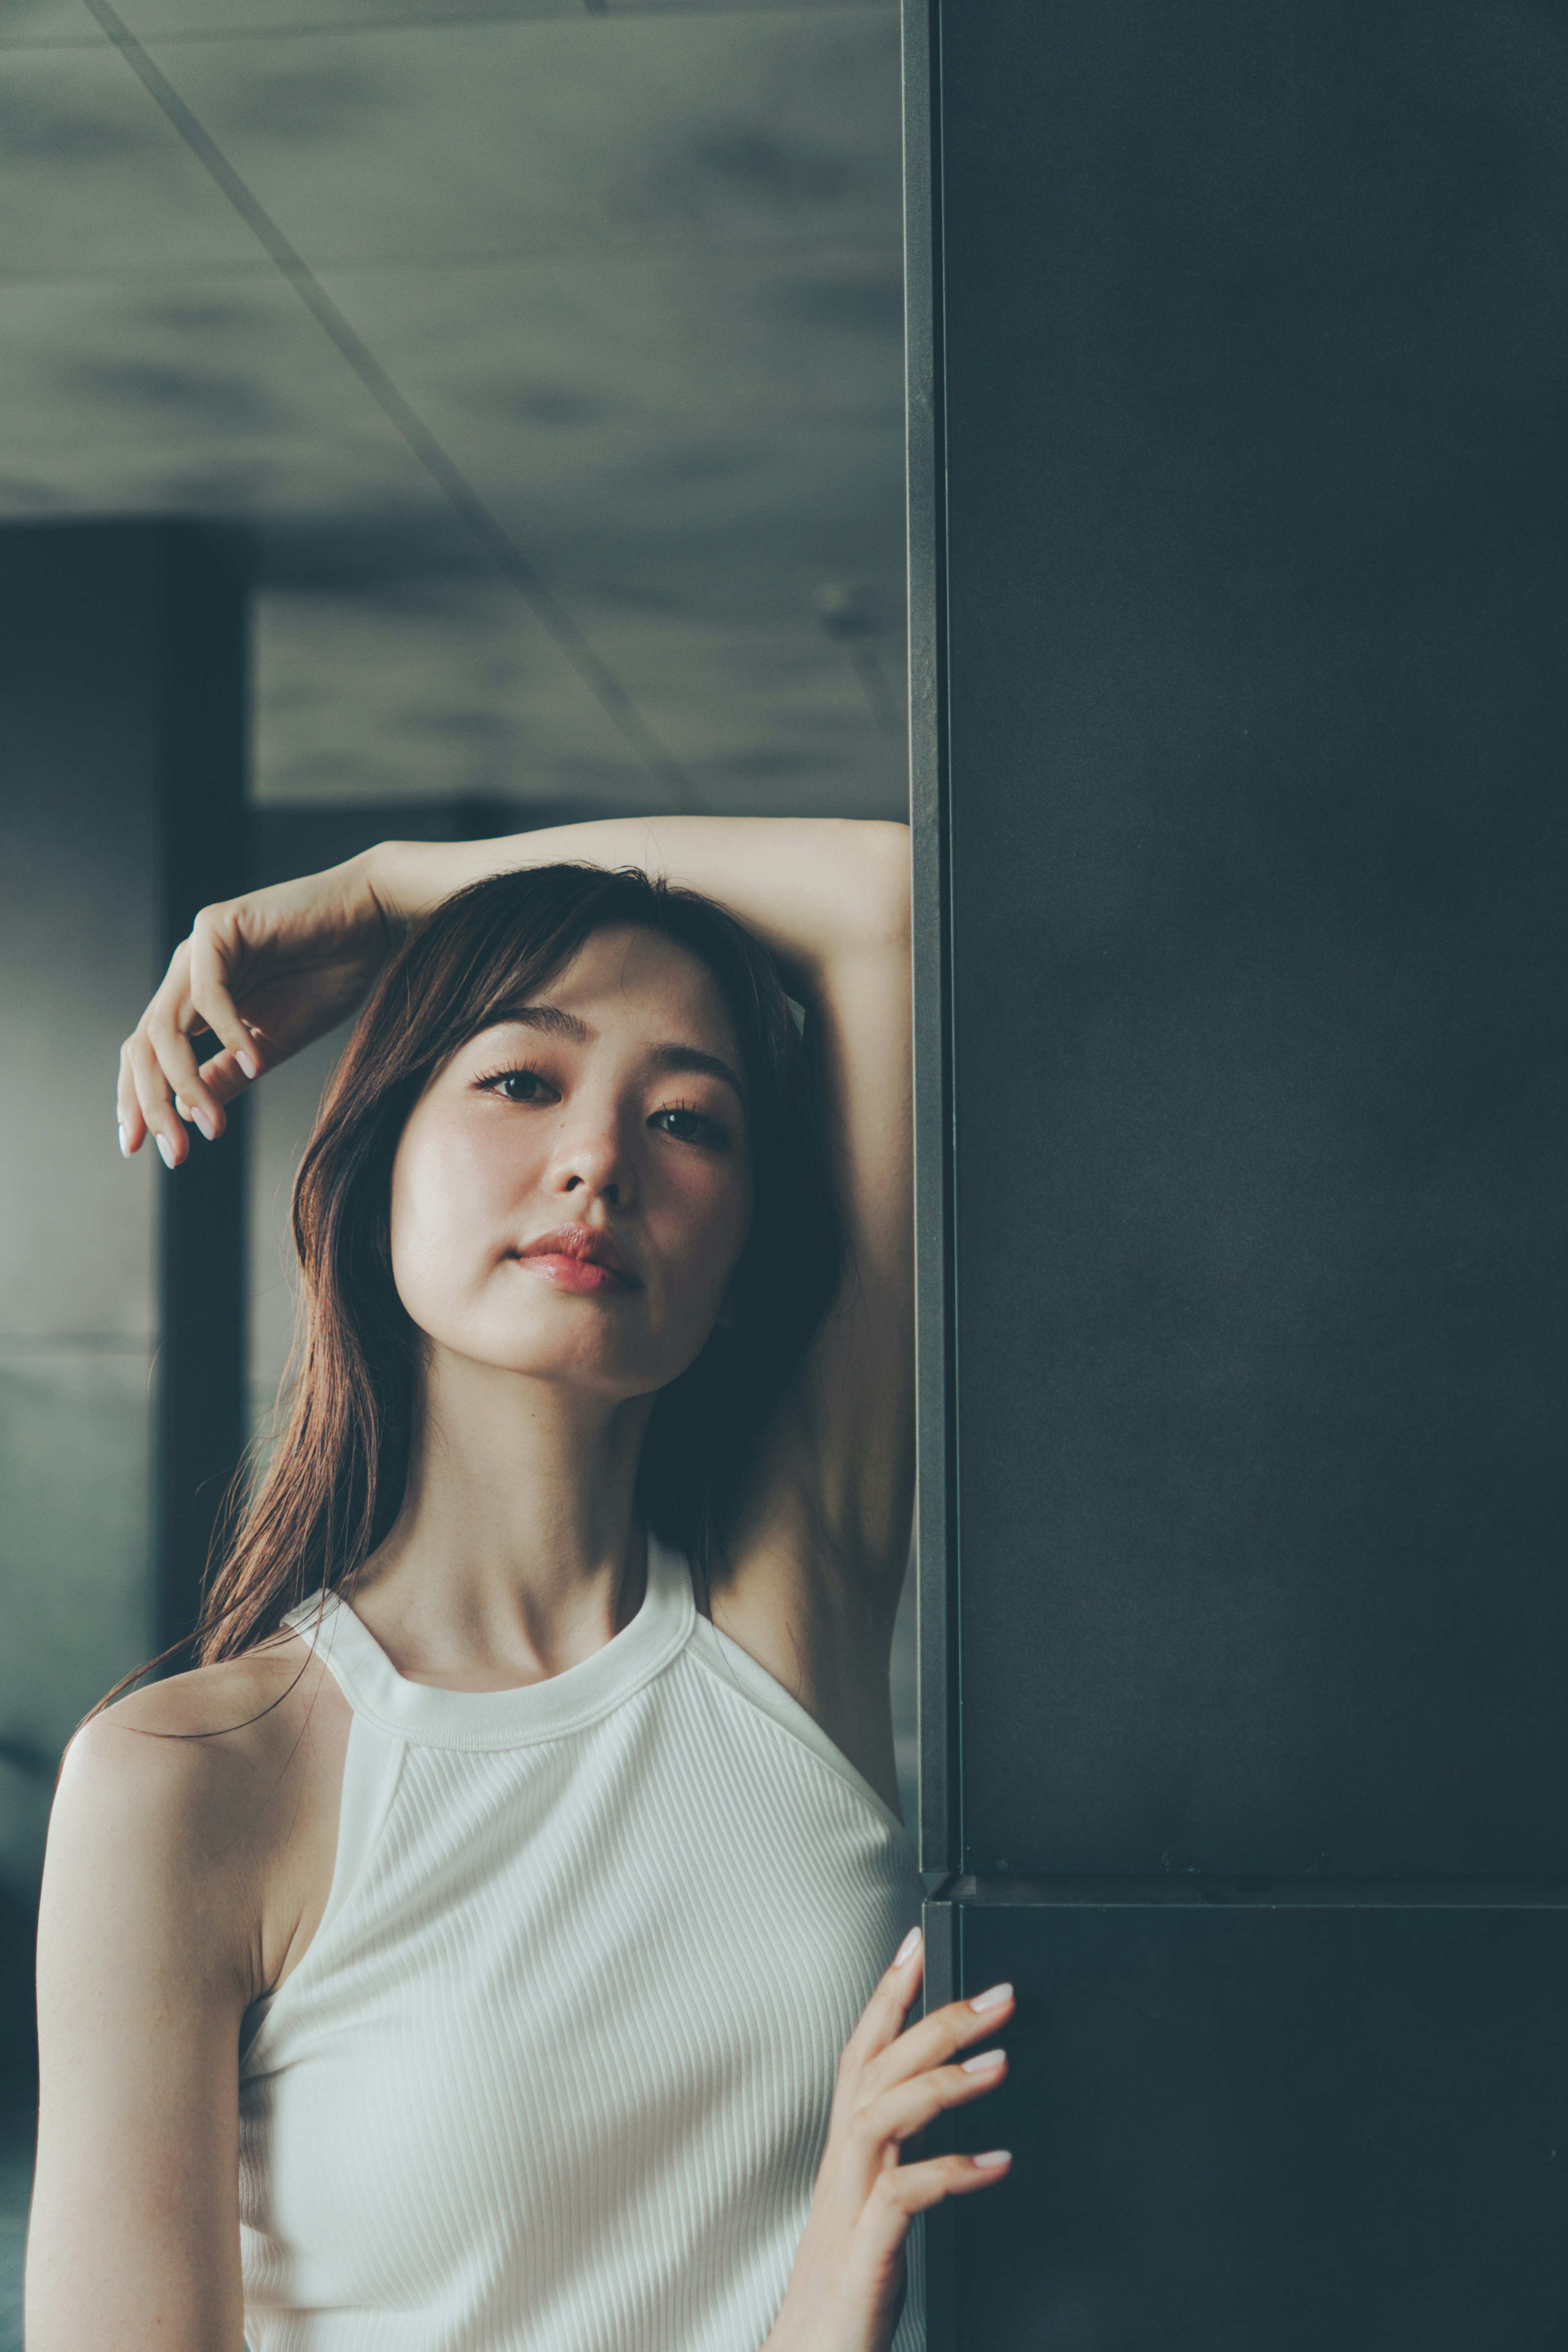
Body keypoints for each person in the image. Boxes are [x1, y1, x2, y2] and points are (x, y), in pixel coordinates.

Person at [27, 816, 1013, 2352]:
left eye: (691, 1121)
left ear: (744, 1249)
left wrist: (388, 886)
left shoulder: (787, 1598)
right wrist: (825, 2305)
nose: (598, 1159)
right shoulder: (191, 1780)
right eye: (520, 1078)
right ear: (375, 1165)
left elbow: (891, 902)